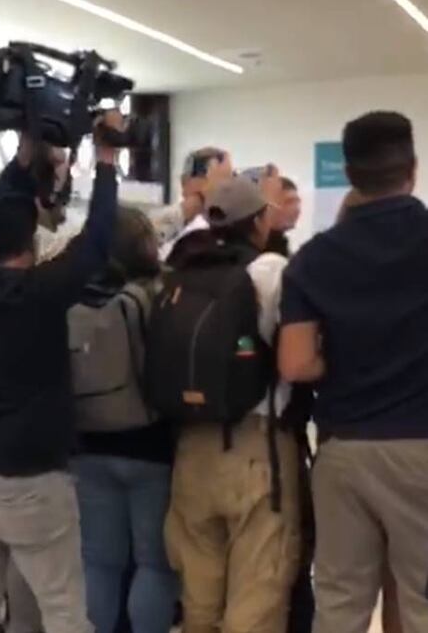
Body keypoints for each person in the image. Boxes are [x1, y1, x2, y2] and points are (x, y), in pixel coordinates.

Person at [0, 113, 124, 633]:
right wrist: (108, 163)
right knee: (63, 601)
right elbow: (97, 242)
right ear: (32, 242)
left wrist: (23, 161)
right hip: (30, 477)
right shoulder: (39, 294)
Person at [280, 111, 428, 633]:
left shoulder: (314, 258)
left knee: (340, 601)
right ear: (411, 167)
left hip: (343, 451)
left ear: (349, 173)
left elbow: (296, 363)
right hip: (422, 447)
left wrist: (342, 362)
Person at [162, 177, 301, 633]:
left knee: (199, 601)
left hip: (190, 448)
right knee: (256, 600)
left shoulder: (178, 265)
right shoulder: (271, 271)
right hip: (255, 448)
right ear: (259, 221)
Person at [70, 207, 179, 633]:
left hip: (88, 441)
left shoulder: (73, 295)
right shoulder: (156, 293)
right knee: (155, 562)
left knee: (98, 561)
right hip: (149, 442)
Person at [266, 178, 302, 256]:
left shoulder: (281, 245)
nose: (297, 209)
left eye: (297, 202)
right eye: (289, 202)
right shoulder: (255, 254)